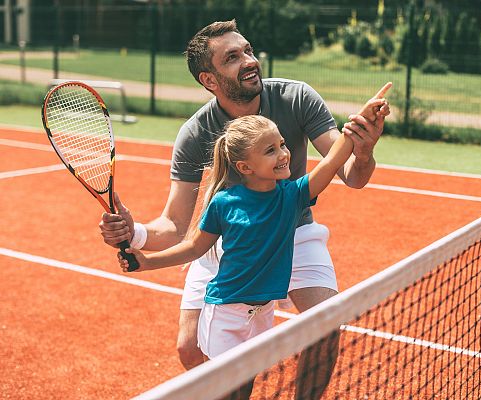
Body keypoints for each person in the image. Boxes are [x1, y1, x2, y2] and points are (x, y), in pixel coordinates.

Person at [99, 19, 390, 398]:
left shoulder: (296, 97)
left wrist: (363, 149)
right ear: (209, 79)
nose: (249, 61)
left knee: (325, 323)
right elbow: (174, 225)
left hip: (293, 228)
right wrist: (133, 234)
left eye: (248, 51)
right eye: (233, 57)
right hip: (226, 238)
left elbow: (351, 174)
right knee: (190, 350)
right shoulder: (195, 132)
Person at [118, 113, 367, 398]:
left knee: (245, 387)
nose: (284, 154)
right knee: (227, 392)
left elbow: (331, 162)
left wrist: (354, 129)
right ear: (244, 166)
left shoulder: (293, 195)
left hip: (262, 315)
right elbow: (195, 248)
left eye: (282, 144)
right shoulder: (224, 203)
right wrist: (147, 262)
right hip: (226, 316)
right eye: (270, 150)